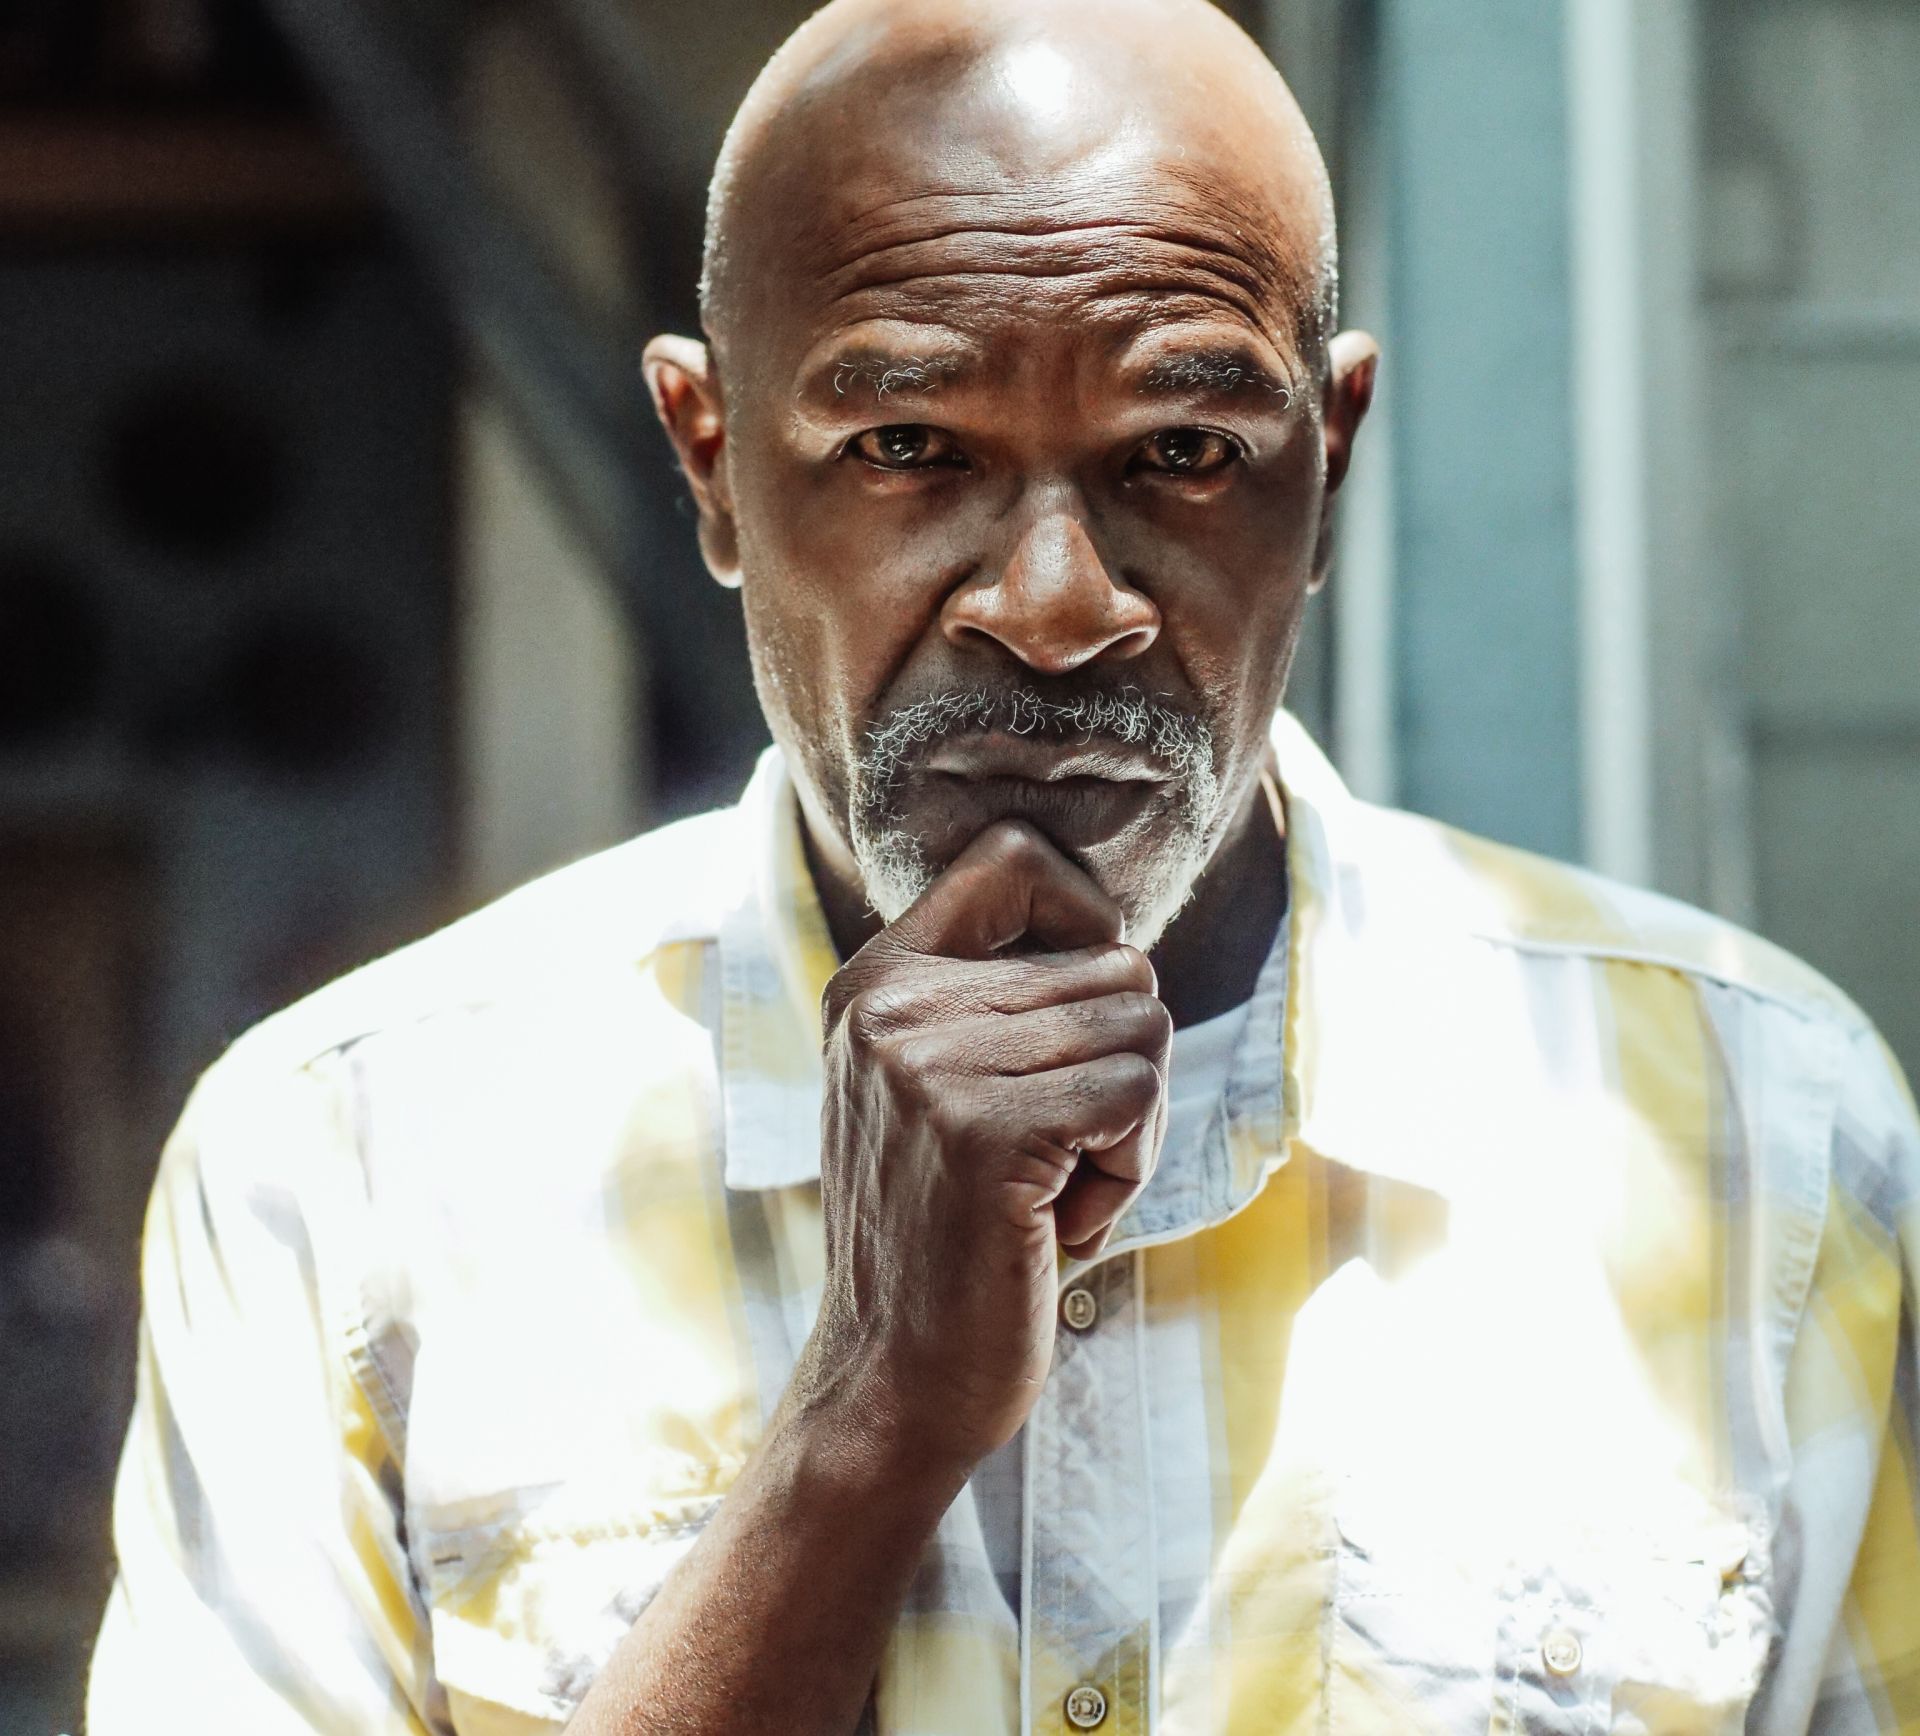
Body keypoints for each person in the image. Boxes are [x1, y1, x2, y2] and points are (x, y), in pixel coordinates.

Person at [89, 0, 1920, 1730]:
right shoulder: (345, 1176)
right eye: (907, 447)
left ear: (1330, 463)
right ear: (712, 460)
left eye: (1183, 451)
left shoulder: (1768, 1143)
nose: (1056, 608)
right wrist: (866, 1423)